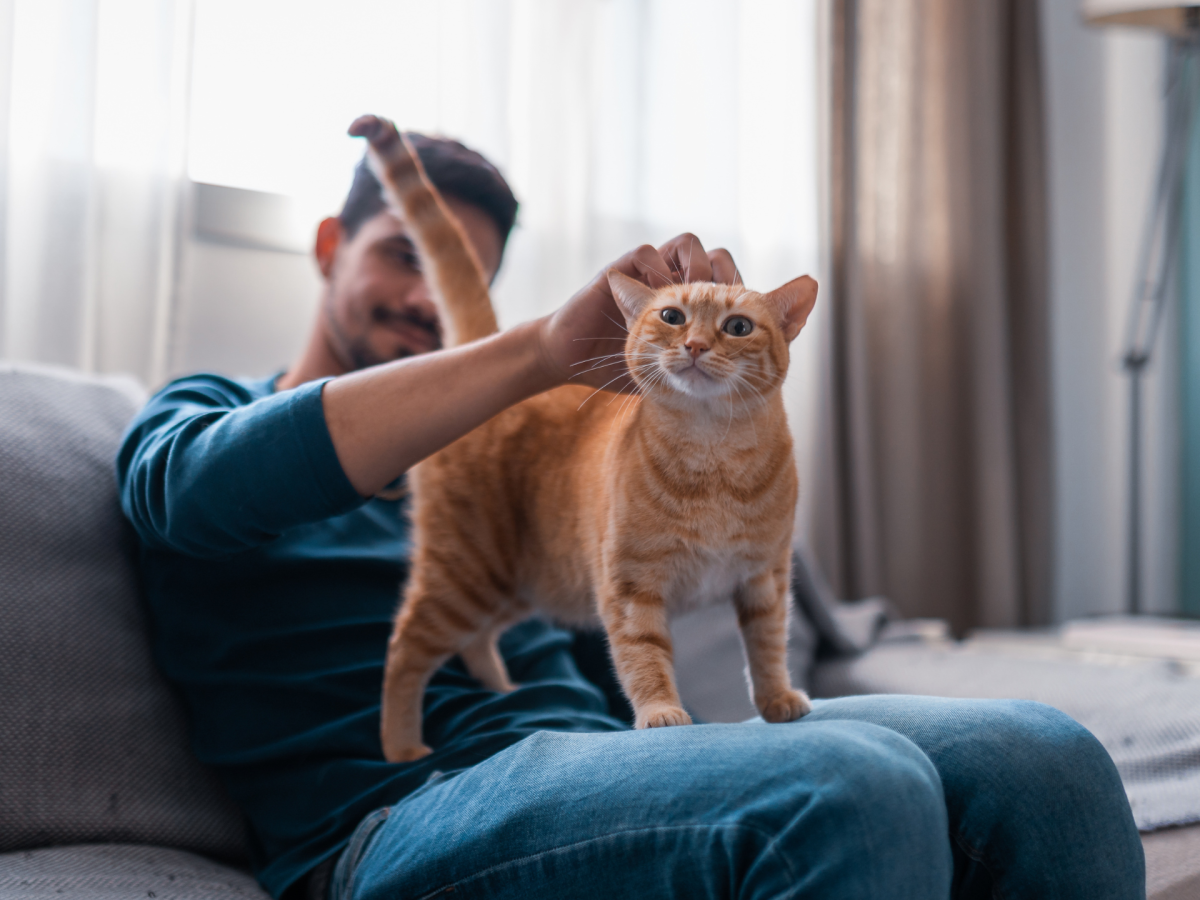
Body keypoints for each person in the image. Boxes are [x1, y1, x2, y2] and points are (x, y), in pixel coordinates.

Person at [117, 134, 1145, 900]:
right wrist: (526, 356)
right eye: (404, 257)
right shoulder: (203, 412)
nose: (431, 300)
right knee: (845, 785)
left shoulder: (514, 446)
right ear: (332, 245)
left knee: (1042, 757)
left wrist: (696, 388)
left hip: (602, 759)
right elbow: (195, 496)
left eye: (463, 280)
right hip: (388, 822)